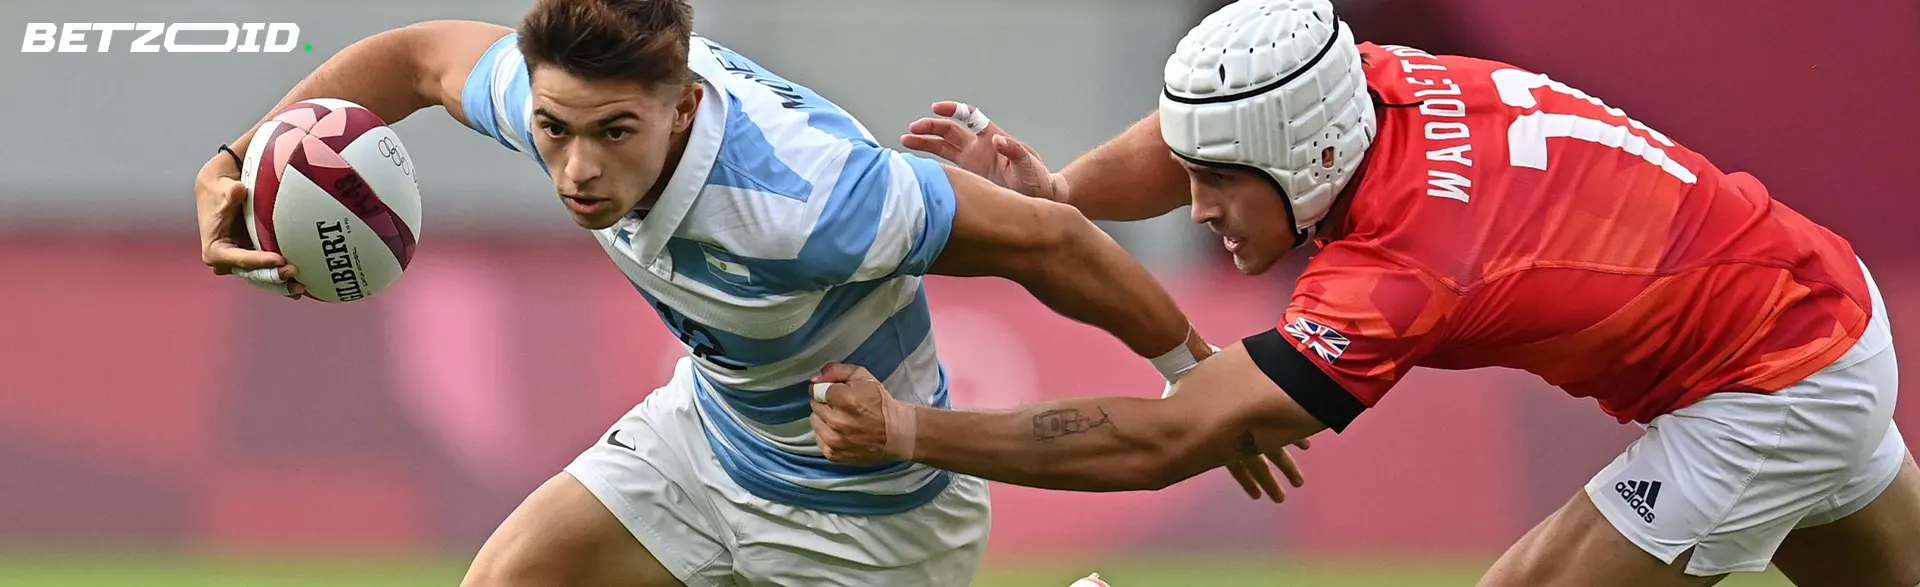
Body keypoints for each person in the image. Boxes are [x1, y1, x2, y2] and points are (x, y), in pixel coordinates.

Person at [187, 0, 1304, 585]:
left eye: (612, 134)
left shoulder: (814, 200)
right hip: (710, 437)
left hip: (873, 510)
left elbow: (1047, 239)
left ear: (682, 107)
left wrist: (1195, 375)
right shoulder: (556, 101)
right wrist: (237, 158)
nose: (576, 170)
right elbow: (411, 59)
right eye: (555, 131)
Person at [807, 1, 1920, 585]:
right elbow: (1196, 131)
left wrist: (909, 430)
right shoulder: (1367, 85)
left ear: (1308, 154)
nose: (1194, 207)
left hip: (1773, 379)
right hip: (1817, 306)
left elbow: (1165, 439)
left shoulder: (1402, 269)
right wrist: (1060, 194)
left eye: (1218, 183)